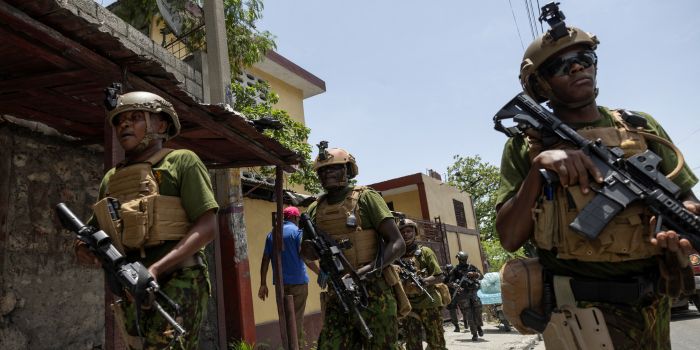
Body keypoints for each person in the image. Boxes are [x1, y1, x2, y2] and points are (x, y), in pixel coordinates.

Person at [495, 5, 699, 349]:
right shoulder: (526, 146)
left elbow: (684, 197)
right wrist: (539, 169)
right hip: (579, 313)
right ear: (540, 84)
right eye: (560, 65)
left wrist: (684, 219)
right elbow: (510, 236)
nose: (576, 67)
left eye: (584, 58)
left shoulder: (639, 126)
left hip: (654, 302)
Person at [74, 91, 219, 349]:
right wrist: (82, 247)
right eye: (119, 121)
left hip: (179, 278)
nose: (125, 124)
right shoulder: (111, 179)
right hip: (133, 285)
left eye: (136, 117)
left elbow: (207, 227)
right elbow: (95, 229)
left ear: (161, 125)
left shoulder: (182, 161)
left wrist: (157, 268)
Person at [300, 145, 406, 349]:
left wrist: (363, 273)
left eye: (333, 168)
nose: (326, 173)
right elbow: (305, 253)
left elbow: (397, 243)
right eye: (322, 170)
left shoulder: (367, 198)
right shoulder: (315, 208)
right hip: (338, 293)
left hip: (374, 292)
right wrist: (310, 249)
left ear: (348, 170)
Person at [258, 206, 320, 347]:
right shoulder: (298, 233)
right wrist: (319, 273)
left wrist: (263, 283)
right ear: (295, 218)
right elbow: (305, 257)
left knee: (286, 320)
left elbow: (265, 260)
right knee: (296, 320)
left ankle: (291, 346)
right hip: (298, 283)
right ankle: (296, 347)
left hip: (281, 285)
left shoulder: (271, 234)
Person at [396, 219, 447, 350]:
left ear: (415, 232)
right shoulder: (396, 256)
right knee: (413, 345)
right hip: (409, 306)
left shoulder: (425, 252)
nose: (406, 234)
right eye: (402, 232)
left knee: (437, 343)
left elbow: (439, 276)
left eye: (409, 231)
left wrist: (423, 281)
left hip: (429, 303)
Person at [446, 251, 483, 341]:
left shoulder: (472, 267)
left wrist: (474, 274)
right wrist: (456, 286)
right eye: (460, 259)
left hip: (473, 292)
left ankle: (478, 326)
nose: (461, 261)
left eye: (461, 259)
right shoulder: (455, 270)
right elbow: (449, 281)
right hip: (463, 295)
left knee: (477, 310)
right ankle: (474, 334)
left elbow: (481, 276)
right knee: (469, 314)